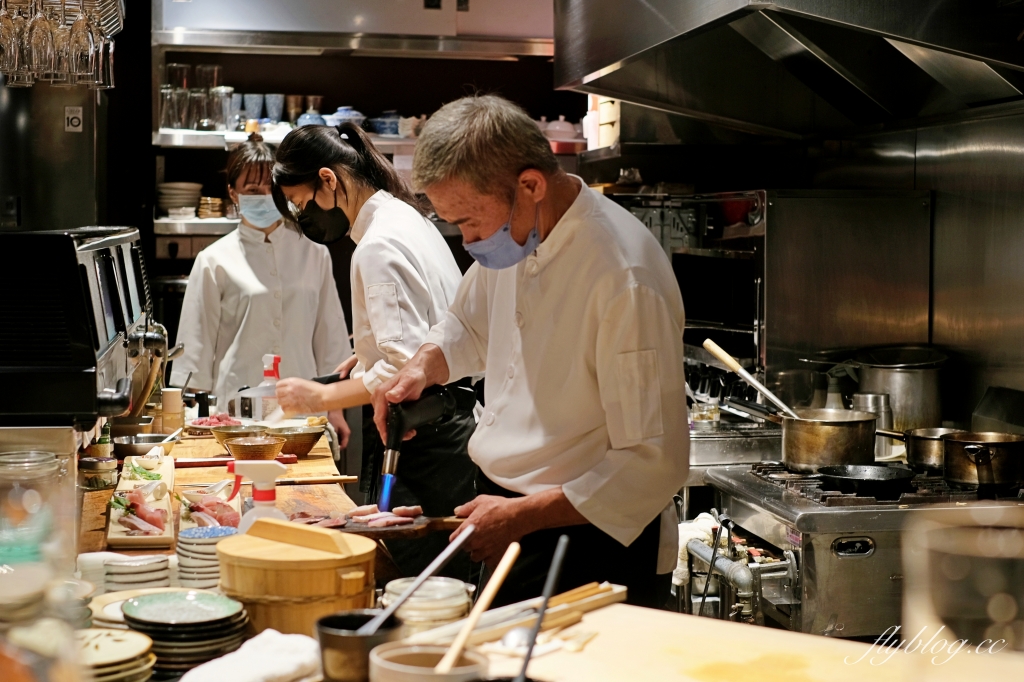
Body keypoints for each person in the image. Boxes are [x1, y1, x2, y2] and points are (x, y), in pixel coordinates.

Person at [371, 95, 688, 608]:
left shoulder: (624, 276)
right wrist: (420, 368)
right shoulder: (519, 233)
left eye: (472, 222)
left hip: (589, 539)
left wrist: (525, 516)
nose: (468, 240)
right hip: (506, 512)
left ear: (531, 185)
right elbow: (467, 326)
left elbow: (651, 464)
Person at [270, 123, 478, 579]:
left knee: (416, 586)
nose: (307, 217)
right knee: (443, 583)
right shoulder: (406, 218)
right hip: (451, 428)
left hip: (425, 440)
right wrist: (362, 356)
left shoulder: (378, 245)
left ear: (329, 180)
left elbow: (403, 367)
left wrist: (321, 397)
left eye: (305, 204)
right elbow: (427, 331)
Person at [172, 134, 351, 431]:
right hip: (234, 412)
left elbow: (330, 336)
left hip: (304, 410)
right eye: (252, 189)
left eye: (271, 188)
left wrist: (335, 410)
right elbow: (195, 343)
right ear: (233, 193)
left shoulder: (314, 253)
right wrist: (191, 411)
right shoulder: (213, 259)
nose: (264, 196)